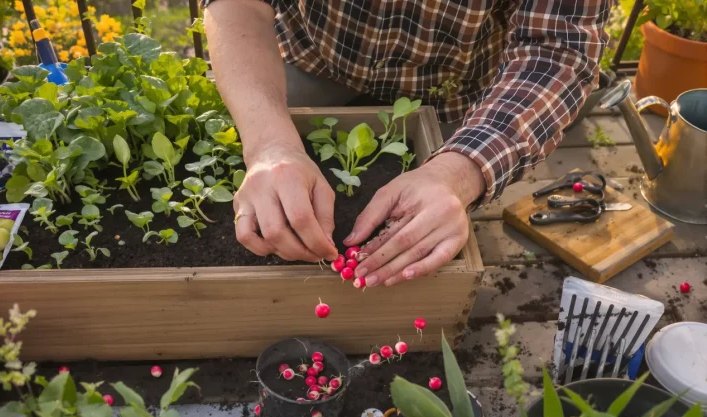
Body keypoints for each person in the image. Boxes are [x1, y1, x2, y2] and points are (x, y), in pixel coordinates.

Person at [202, 0, 609, 287]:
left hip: (454, 96)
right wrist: (270, 145)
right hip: (310, 57)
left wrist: (455, 175)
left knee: (434, 240)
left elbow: (558, 51)